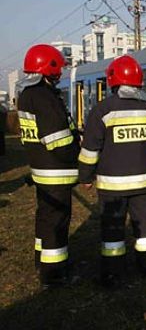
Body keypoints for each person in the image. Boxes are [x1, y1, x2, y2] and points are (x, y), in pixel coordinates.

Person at [78, 55, 146, 288]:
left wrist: (85, 177)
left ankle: (113, 275)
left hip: (112, 186)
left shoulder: (103, 110)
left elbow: (90, 149)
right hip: (144, 184)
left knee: (113, 230)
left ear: (113, 81)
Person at [16, 44, 80, 288]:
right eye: (58, 68)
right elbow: (59, 140)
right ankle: (54, 274)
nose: (61, 73)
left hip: (41, 169)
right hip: (56, 171)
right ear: (48, 67)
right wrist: (77, 153)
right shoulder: (43, 96)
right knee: (57, 221)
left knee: (45, 217)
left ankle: (41, 260)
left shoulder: (27, 94)